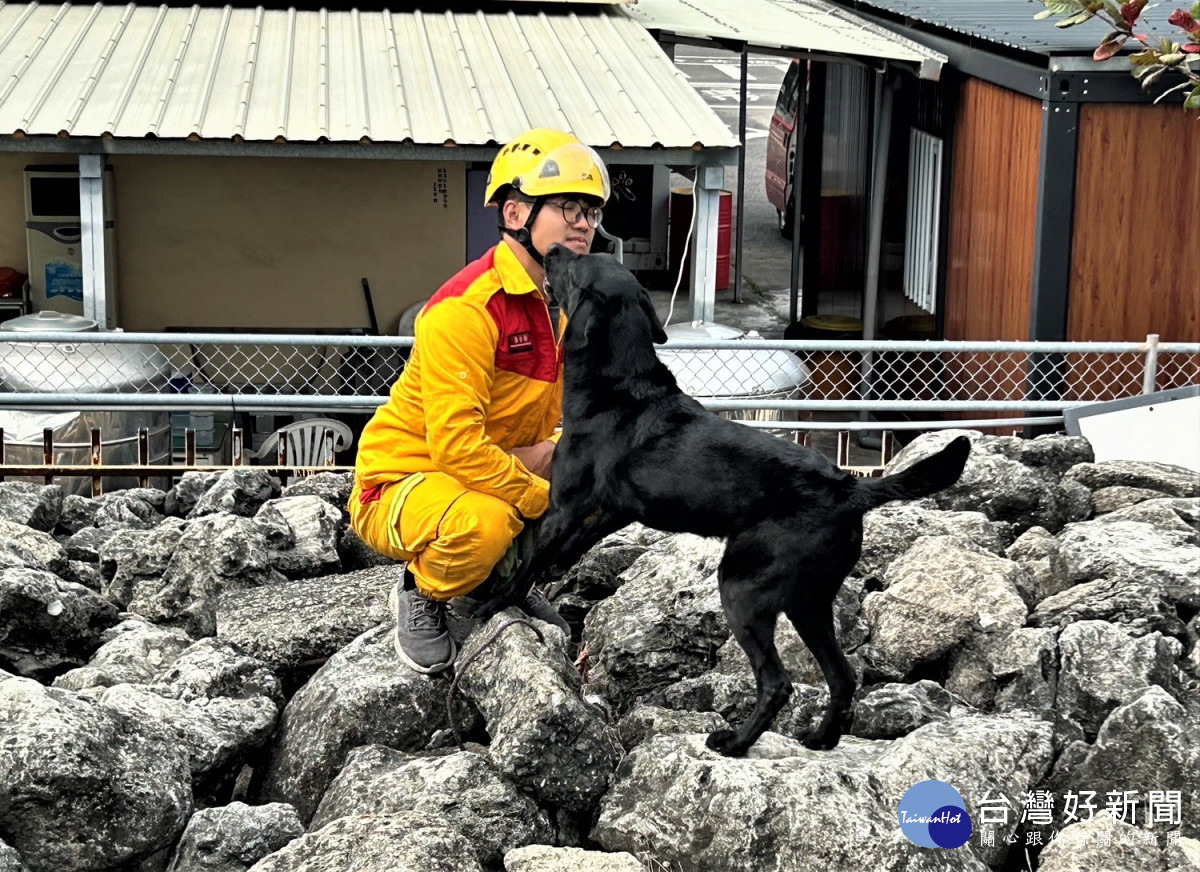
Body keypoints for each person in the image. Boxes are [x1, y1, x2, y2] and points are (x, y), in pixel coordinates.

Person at [348, 128, 610, 673]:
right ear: (515, 214)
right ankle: (426, 592)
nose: (584, 221)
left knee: (600, 480)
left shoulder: (562, 302)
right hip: (402, 480)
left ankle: (501, 584)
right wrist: (539, 499)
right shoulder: (466, 309)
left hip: (486, 465)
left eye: (590, 208)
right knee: (487, 523)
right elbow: (456, 446)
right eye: (567, 206)